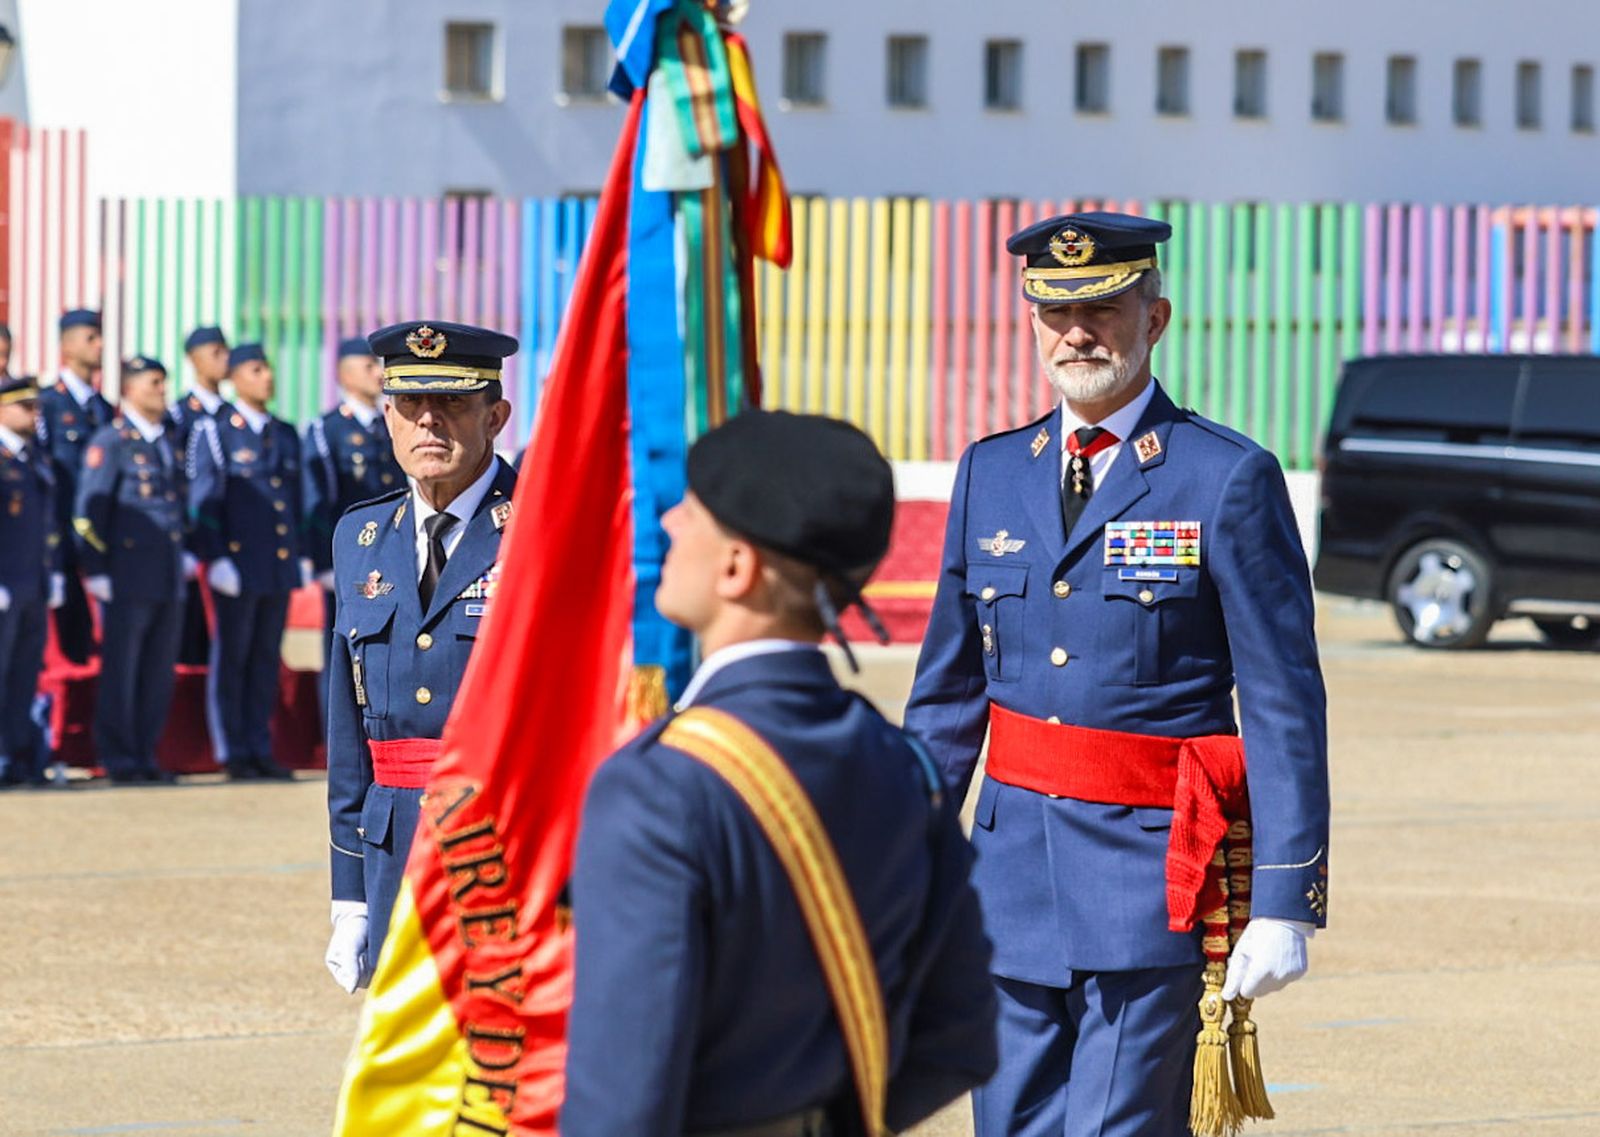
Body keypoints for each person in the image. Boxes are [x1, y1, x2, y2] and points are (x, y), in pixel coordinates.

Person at [903, 212, 1330, 1137]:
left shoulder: (1223, 477)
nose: (1077, 334)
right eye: (1054, 313)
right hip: (1007, 878)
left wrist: (1286, 898)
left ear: (1156, 316)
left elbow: (1283, 699)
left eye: (1103, 307)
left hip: (1150, 884)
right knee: (1009, 1124)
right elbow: (946, 695)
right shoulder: (990, 473)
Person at [561, 411, 998, 1137]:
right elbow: (961, 1034)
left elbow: (621, 1106)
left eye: (692, 510)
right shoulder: (904, 764)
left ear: (737, 567)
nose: (668, 521)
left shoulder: (655, 789)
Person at [323, 320, 518, 992]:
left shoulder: (539, 530)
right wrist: (348, 891)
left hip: (502, 843)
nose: (428, 421)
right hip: (391, 848)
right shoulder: (361, 535)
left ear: (495, 415)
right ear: (387, 417)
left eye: (453, 403)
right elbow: (347, 732)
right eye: (410, 405)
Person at [186, 343, 304, 781]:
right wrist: (214, 557)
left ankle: (259, 745)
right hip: (236, 565)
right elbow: (203, 501)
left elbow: (294, 501)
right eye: (256, 370)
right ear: (235, 377)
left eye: (269, 368)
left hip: (275, 565)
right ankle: (232, 749)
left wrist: (301, 555)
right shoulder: (216, 430)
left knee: (265, 659)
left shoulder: (284, 432)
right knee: (232, 658)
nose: (267, 377)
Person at [74, 356, 190, 785]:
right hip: (126, 575)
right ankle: (119, 755)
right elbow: (90, 512)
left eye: (163, 382)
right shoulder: (113, 440)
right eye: (153, 382)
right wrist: (96, 568)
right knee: (122, 671)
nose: (162, 390)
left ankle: (145, 752)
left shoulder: (168, 440)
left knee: (157, 672)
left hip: (167, 575)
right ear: (130, 389)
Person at [302, 337, 403, 706]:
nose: (378, 374)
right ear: (344, 374)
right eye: (368, 366)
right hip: (347, 557)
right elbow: (317, 500)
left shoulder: (389, 426)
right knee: (343, 646)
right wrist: (322, 560)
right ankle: (337, 736)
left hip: (387, 554)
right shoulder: (327, 429)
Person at [36, 309, 113, 664]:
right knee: (64, 652)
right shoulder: (48, 404)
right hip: (63, 545)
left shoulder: (104, 409)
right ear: (66, 345)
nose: (99, 346)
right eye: (90, 337)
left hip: (100, 544)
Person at [0, 375, 64, 787]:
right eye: (25, 407)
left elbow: (47, 523)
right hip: (5, 585)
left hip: (32, 585)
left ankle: (15, 755)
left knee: (23, 675)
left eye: (36, 407)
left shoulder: (34, 457)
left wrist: (52, 572)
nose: (33, 414)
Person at [168, 326, 234, 668]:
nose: (225, 359)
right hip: (193, 545)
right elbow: (178, 483)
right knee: (187, 642)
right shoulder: (178, 415)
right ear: (194, 359)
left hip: (230, 543)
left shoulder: (231, 416)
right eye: (215, 352)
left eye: (226, 351)